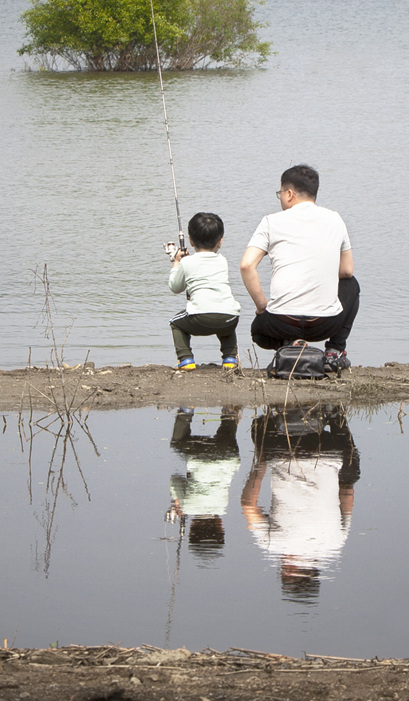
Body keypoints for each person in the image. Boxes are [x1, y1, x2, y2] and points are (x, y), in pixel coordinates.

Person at [241, 164, 359, 372]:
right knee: (351, 285)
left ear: (289, 194)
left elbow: (247, 265)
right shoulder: (335, 219)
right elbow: (347, 271)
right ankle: (335, 350)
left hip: (281, 323)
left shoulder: (271, 222)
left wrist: (262, 307)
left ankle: (290, 344)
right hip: (325, 324)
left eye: (280, 193)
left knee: (258, 332)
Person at [242, 405, 358, 601]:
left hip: (329, 449)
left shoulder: (336, 543)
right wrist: (261, 460)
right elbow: (248, 505)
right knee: (258, 429)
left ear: (314, 570)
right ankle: (271, 413)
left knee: (350, 475)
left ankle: (335, 416)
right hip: (282, 450)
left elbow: (347, 493)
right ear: (287, 570)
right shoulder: (273, 545)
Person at [166, 404, 242, 560]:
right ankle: (186, 411)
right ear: (191, 529)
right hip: (198, 456)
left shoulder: (222, 506)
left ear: (221, 526)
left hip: (229, 458)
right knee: (177, 443)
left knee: (226, 440)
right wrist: (176, 501)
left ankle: (230, 413)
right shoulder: (188, 507)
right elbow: (174, 479)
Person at [168, 211, 242, 370]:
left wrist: (176, 262)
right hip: (231, 318)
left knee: (175, 322)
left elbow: (175, 287)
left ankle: (185, 359)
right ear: (220, 242)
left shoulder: (186, 262)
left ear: (190, 241)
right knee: (225, 318)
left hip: (200, 318)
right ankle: (230, 359)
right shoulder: (222, 261)